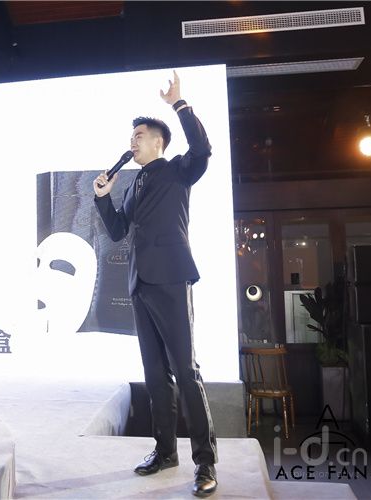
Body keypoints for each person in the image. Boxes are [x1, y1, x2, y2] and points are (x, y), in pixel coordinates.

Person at [92, 70, 218, 498]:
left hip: (171, 278)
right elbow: (116, 230)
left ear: (158, 142)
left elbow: (202, 148)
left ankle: (205, 462)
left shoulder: (178, 170)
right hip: (140, 284)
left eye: (139, 136)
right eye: (131, 137)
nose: (133, 142)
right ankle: (165, 451)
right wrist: (103, 197)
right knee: (154, 374)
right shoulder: (134, 184)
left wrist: (179, 104)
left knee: (186, 370)